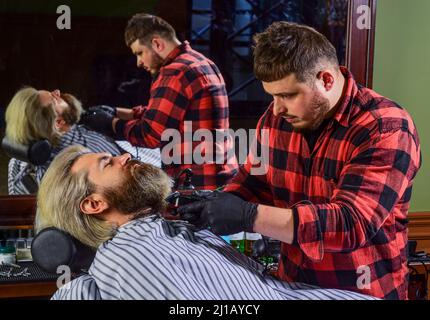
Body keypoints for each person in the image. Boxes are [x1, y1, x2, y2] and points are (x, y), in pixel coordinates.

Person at [178, 22, 422, 300]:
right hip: (292, 288)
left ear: (326, 80)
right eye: (272, 95)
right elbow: (254, 181)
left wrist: (248, 216)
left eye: (287, 95)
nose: (277, 108)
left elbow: (350, 224)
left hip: (362, 291)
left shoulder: (385, 127)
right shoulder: (275, 119)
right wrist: (216, 206)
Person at [35, 145, 375, 300]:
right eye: (109, 162)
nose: (127, 155)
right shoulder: (130, 258)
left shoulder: (168, 230)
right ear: (94, 203)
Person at [80, 13, 238, 190]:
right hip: (220, 175)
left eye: (140, 53)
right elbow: (166, 114)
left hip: (197, 184)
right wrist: (116, 111)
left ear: (156, 43)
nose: (139, 62)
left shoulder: (174, 72)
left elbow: (150, 134)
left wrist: (110, 124)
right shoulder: (201, 62)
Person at [5, 87, 160, 194]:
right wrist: (115, 124)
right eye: (54, 98)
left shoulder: (17, 163)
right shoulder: (89, 155)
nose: (57, 92)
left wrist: (114, 113)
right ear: (58, 123)